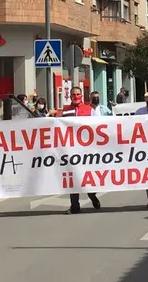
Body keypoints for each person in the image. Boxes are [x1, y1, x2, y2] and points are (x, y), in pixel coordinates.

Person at [59, 86, 101, 214]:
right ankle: (75, 205)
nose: (76, 96)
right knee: (72, 176)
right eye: (73, 94)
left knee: (86, 176)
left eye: (78, 94)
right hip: (71, 149)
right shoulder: (65, 110)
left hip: (86, 149)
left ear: (81, 96)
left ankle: (92, 195)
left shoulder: (89, 110)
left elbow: (96, 127)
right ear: (70, 96)